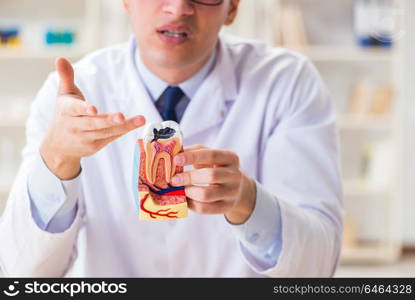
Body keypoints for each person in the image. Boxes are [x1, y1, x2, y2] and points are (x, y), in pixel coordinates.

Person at [0, 0, 343, 277]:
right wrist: (57, 162)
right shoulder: (72, 94)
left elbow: (316, 267)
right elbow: (24, 270)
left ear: (233, 7)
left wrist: (248, 201)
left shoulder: (287, 82)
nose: (179, 8)